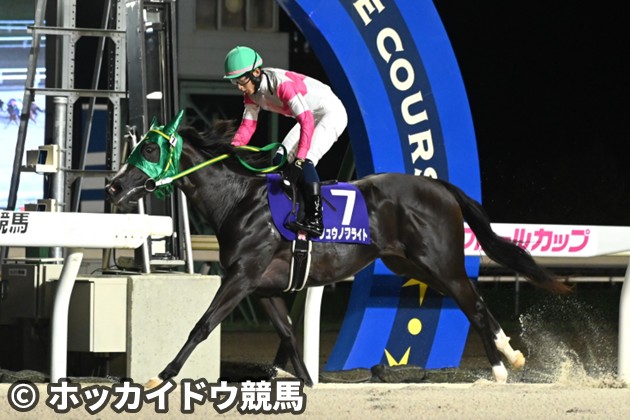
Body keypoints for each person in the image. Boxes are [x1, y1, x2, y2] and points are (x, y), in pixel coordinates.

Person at [224, 45, 348, 237]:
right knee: (279, 159)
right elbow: (248, 125)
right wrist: (233, 148)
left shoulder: (281, 84)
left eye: (241, 81)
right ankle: (293, 208)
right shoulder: (250, 94)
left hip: (330, 113)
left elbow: (306, 121)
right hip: (310, 115)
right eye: (235, 82)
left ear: (256, 72)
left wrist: (299, 158)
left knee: (306, 160)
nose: (239, 87)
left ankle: (316, 219)